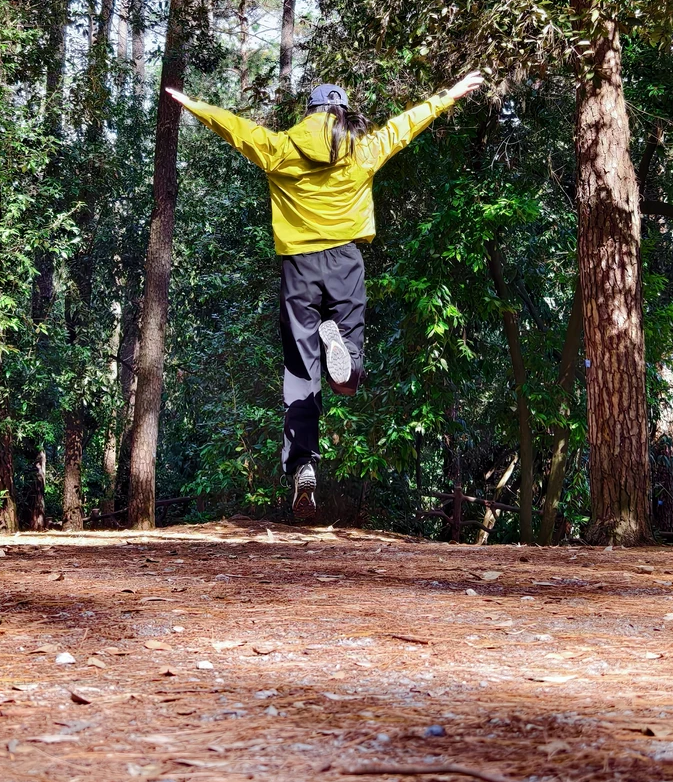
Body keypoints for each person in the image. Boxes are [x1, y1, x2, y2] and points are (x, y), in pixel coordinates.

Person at [166, 70, 485, 520]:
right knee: (348, 365)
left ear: (311, 113)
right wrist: (449, 95)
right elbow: (407, 125)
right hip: (345, 261)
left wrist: (195, 106)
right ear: (341, 112)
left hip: (298, 267)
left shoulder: (281, 148)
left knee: (300, 370)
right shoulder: (363, 148)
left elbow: (237, 130)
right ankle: (345, 364)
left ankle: (301, 464)